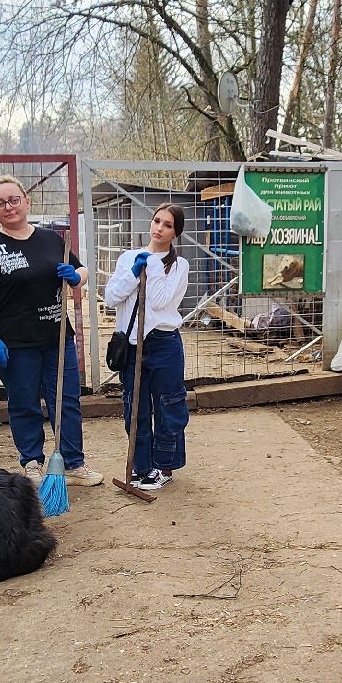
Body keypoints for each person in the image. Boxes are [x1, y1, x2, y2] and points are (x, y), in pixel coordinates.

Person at [0, 174, 104, 486]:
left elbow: (81, 270)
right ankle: (31, 461)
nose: (9, 206)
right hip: (15, 343)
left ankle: (73, 463)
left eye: (14, 199)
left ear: (26, 201)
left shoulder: (51, 240)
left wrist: (76, 276)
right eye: (0, 202)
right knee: (24, 402)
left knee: (66, 401)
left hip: (57, 338)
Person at [102, 203, 191, 491]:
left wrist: (151, 266)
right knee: (135, 407)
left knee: (168, 405)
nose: (159, 228)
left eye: (167, 225)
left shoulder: (178, 265)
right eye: (156, 221)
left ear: (175, 232)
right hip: (132, 345)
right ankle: (141, 466)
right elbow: (111, 297)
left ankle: (163, 465)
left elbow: (162, 301)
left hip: (164, 343)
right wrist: (133, 272)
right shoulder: (128, 257)